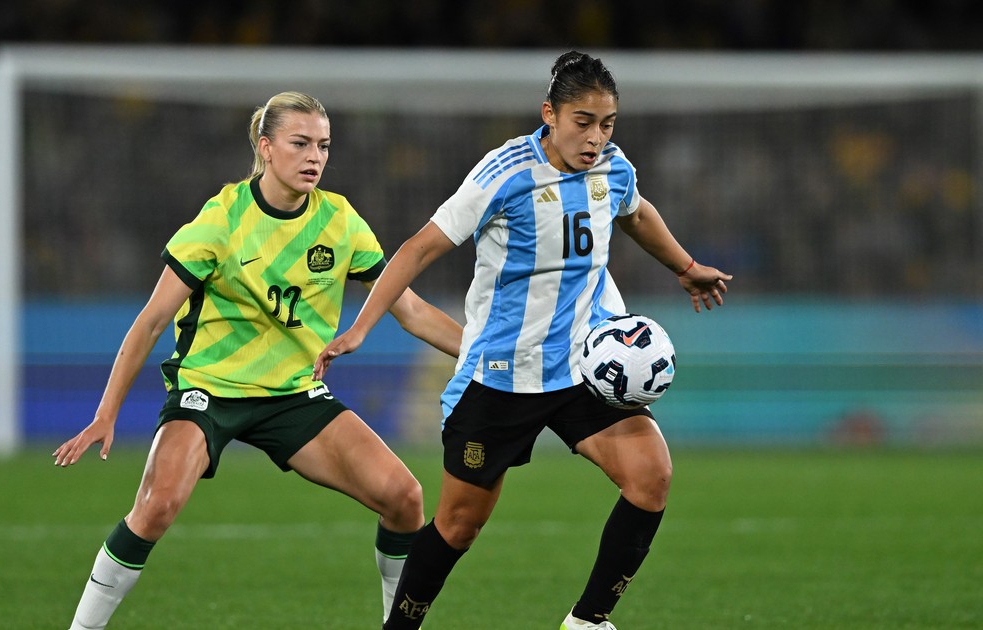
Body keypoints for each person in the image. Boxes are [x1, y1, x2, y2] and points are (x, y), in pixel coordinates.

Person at [314, 52, 733, 630]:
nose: (596, 138)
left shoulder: (613, 167)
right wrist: (361, 327)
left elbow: (636, 214)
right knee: (459, 526)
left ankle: (587, 621)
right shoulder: (505, 172)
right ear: (549, 115)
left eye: (607, 124)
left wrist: (684, 266)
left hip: (583, 367)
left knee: (651, 475)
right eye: (583, 122)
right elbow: (418, 247)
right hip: (501, 376)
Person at [53, 91, 463, 629]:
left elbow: (409, 310)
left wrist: (488, 354)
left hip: (293, 395)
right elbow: (151, 321)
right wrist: (105, 413)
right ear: (266, 148)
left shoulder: (340, 222)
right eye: (300, 143)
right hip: (209, 389)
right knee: (156, 507)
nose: (314, 157)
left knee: (405, 498)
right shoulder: (222, 220)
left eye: (323, 145)